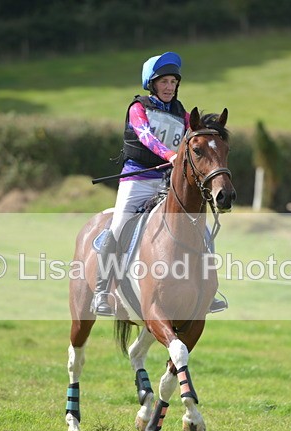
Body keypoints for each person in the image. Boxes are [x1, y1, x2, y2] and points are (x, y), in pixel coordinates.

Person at [91, 51, 227, 316]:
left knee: (202, 230)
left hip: (167, 183)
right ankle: (100, 292)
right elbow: (145, 137)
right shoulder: (138, 108)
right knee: (117, 226)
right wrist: (170, 155)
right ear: (152, 84)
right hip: (137, 180)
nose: (169, 87)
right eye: (164, 82)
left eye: (173, 82)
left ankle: (208, 291)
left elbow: (197, 136)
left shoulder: (181, 113)